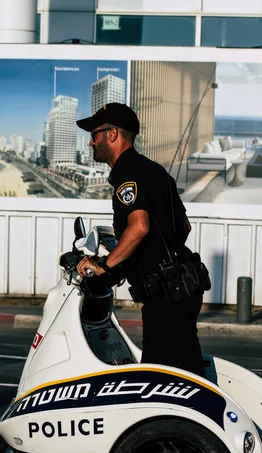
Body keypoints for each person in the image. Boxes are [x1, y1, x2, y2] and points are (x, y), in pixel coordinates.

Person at [76, 102, 208, 377]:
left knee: (162, 380)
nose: (91, 142)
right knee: (185, 372)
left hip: (166, 296)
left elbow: (139, 228)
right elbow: (183, 227)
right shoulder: (155, 171)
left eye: (95, 134)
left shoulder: (128, 174)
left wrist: (105, 266)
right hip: (181, 288)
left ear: (112, 135)